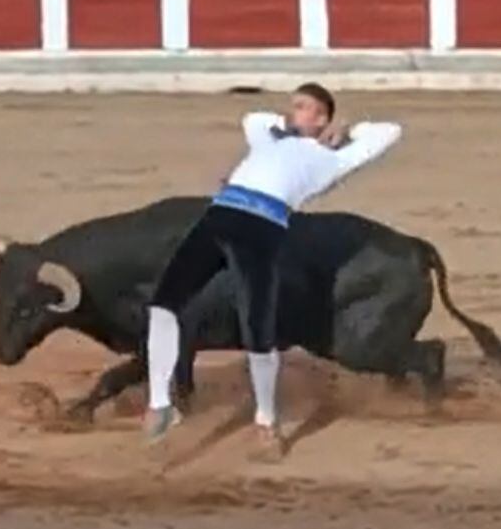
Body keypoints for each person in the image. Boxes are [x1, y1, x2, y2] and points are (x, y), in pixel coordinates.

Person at [140, 85, 402, 454]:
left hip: (260, 230)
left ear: (323, 117)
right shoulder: (269, 139)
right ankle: (159, 404)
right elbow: (252, 118)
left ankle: (266, 421)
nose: (292, 112)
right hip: (218, 217)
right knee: (163, 304)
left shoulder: (338, 158)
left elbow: (391, 131)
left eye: (302, 107)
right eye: (292, 107)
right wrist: (289, 124)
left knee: (258, 331)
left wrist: (346, 132)